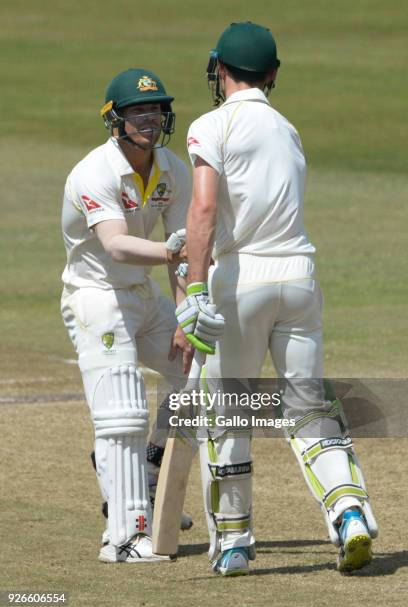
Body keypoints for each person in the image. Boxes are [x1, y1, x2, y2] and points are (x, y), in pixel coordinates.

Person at [176, 22, 378, 576]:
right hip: (299, 279)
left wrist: (195, 286)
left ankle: (236, 544)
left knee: (228, 412)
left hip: (241, 283)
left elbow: (204, 210)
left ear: (220, 69)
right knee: (307, 410)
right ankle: (349, 512)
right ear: (271, 73)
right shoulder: (288, 129)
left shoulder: (210, 124)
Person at [61, 67, 194, 563]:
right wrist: (170, 253)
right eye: (138, 111)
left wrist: (185, 317)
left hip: (140, 294)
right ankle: (123, 538)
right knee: (123, 411)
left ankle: (149, 477)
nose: (150, 118)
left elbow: (183, 251)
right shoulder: (93, 172)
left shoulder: (171, 169)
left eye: (156, 108)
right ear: (114, 120)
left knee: (196, 373)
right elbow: (116, 245)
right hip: (95, 296)